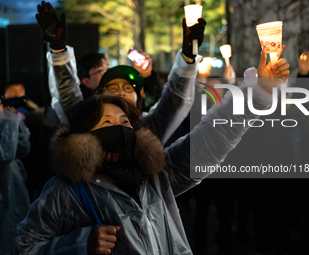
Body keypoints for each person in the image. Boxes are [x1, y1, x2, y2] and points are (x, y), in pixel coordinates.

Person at [13, 42, 290, 254]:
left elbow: (212, 136)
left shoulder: (157, 174)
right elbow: (24, 246)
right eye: (107, 122)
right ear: (86, 135)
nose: (119, 127)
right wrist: (80, 244)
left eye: (125, 121)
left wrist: (257, 91)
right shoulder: (66, 191)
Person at [37, 1, 204, 145]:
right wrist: (58, 50)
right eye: (113, 88)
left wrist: (188, 58)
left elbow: (174, 101)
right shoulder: (87, 123)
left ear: (139, 97)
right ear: (100, 95)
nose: (121, 92)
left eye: (128, 88)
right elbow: (67, 95)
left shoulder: (149, 128)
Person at [0, 102, 31, 255]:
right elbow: (6, 153)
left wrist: (15, 122)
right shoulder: (5, 122)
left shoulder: (5, 121)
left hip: (13, 186)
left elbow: (23, 149)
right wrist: (9, 121)